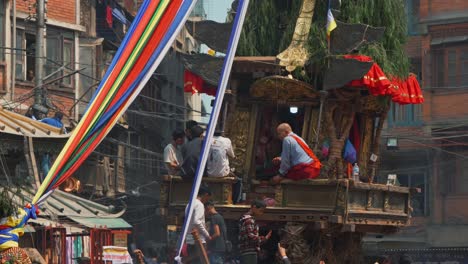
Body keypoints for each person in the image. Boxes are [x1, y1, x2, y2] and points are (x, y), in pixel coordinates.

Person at [239, 199, 272, 264]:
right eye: (260, 211)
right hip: (249, 251)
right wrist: (264, 238)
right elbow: (250, 236)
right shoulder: (249, 220)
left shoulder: (246, 219)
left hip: (248, 250)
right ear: (254, 207)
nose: (261, 213)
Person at [185, 187, 212, 264]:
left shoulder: (189, 204)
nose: (206, 201)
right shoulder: (199, 204)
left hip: (189, 239)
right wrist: (207, 235)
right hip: (198, 239)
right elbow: (197, 221)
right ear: (206, 195)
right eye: (207, 199)